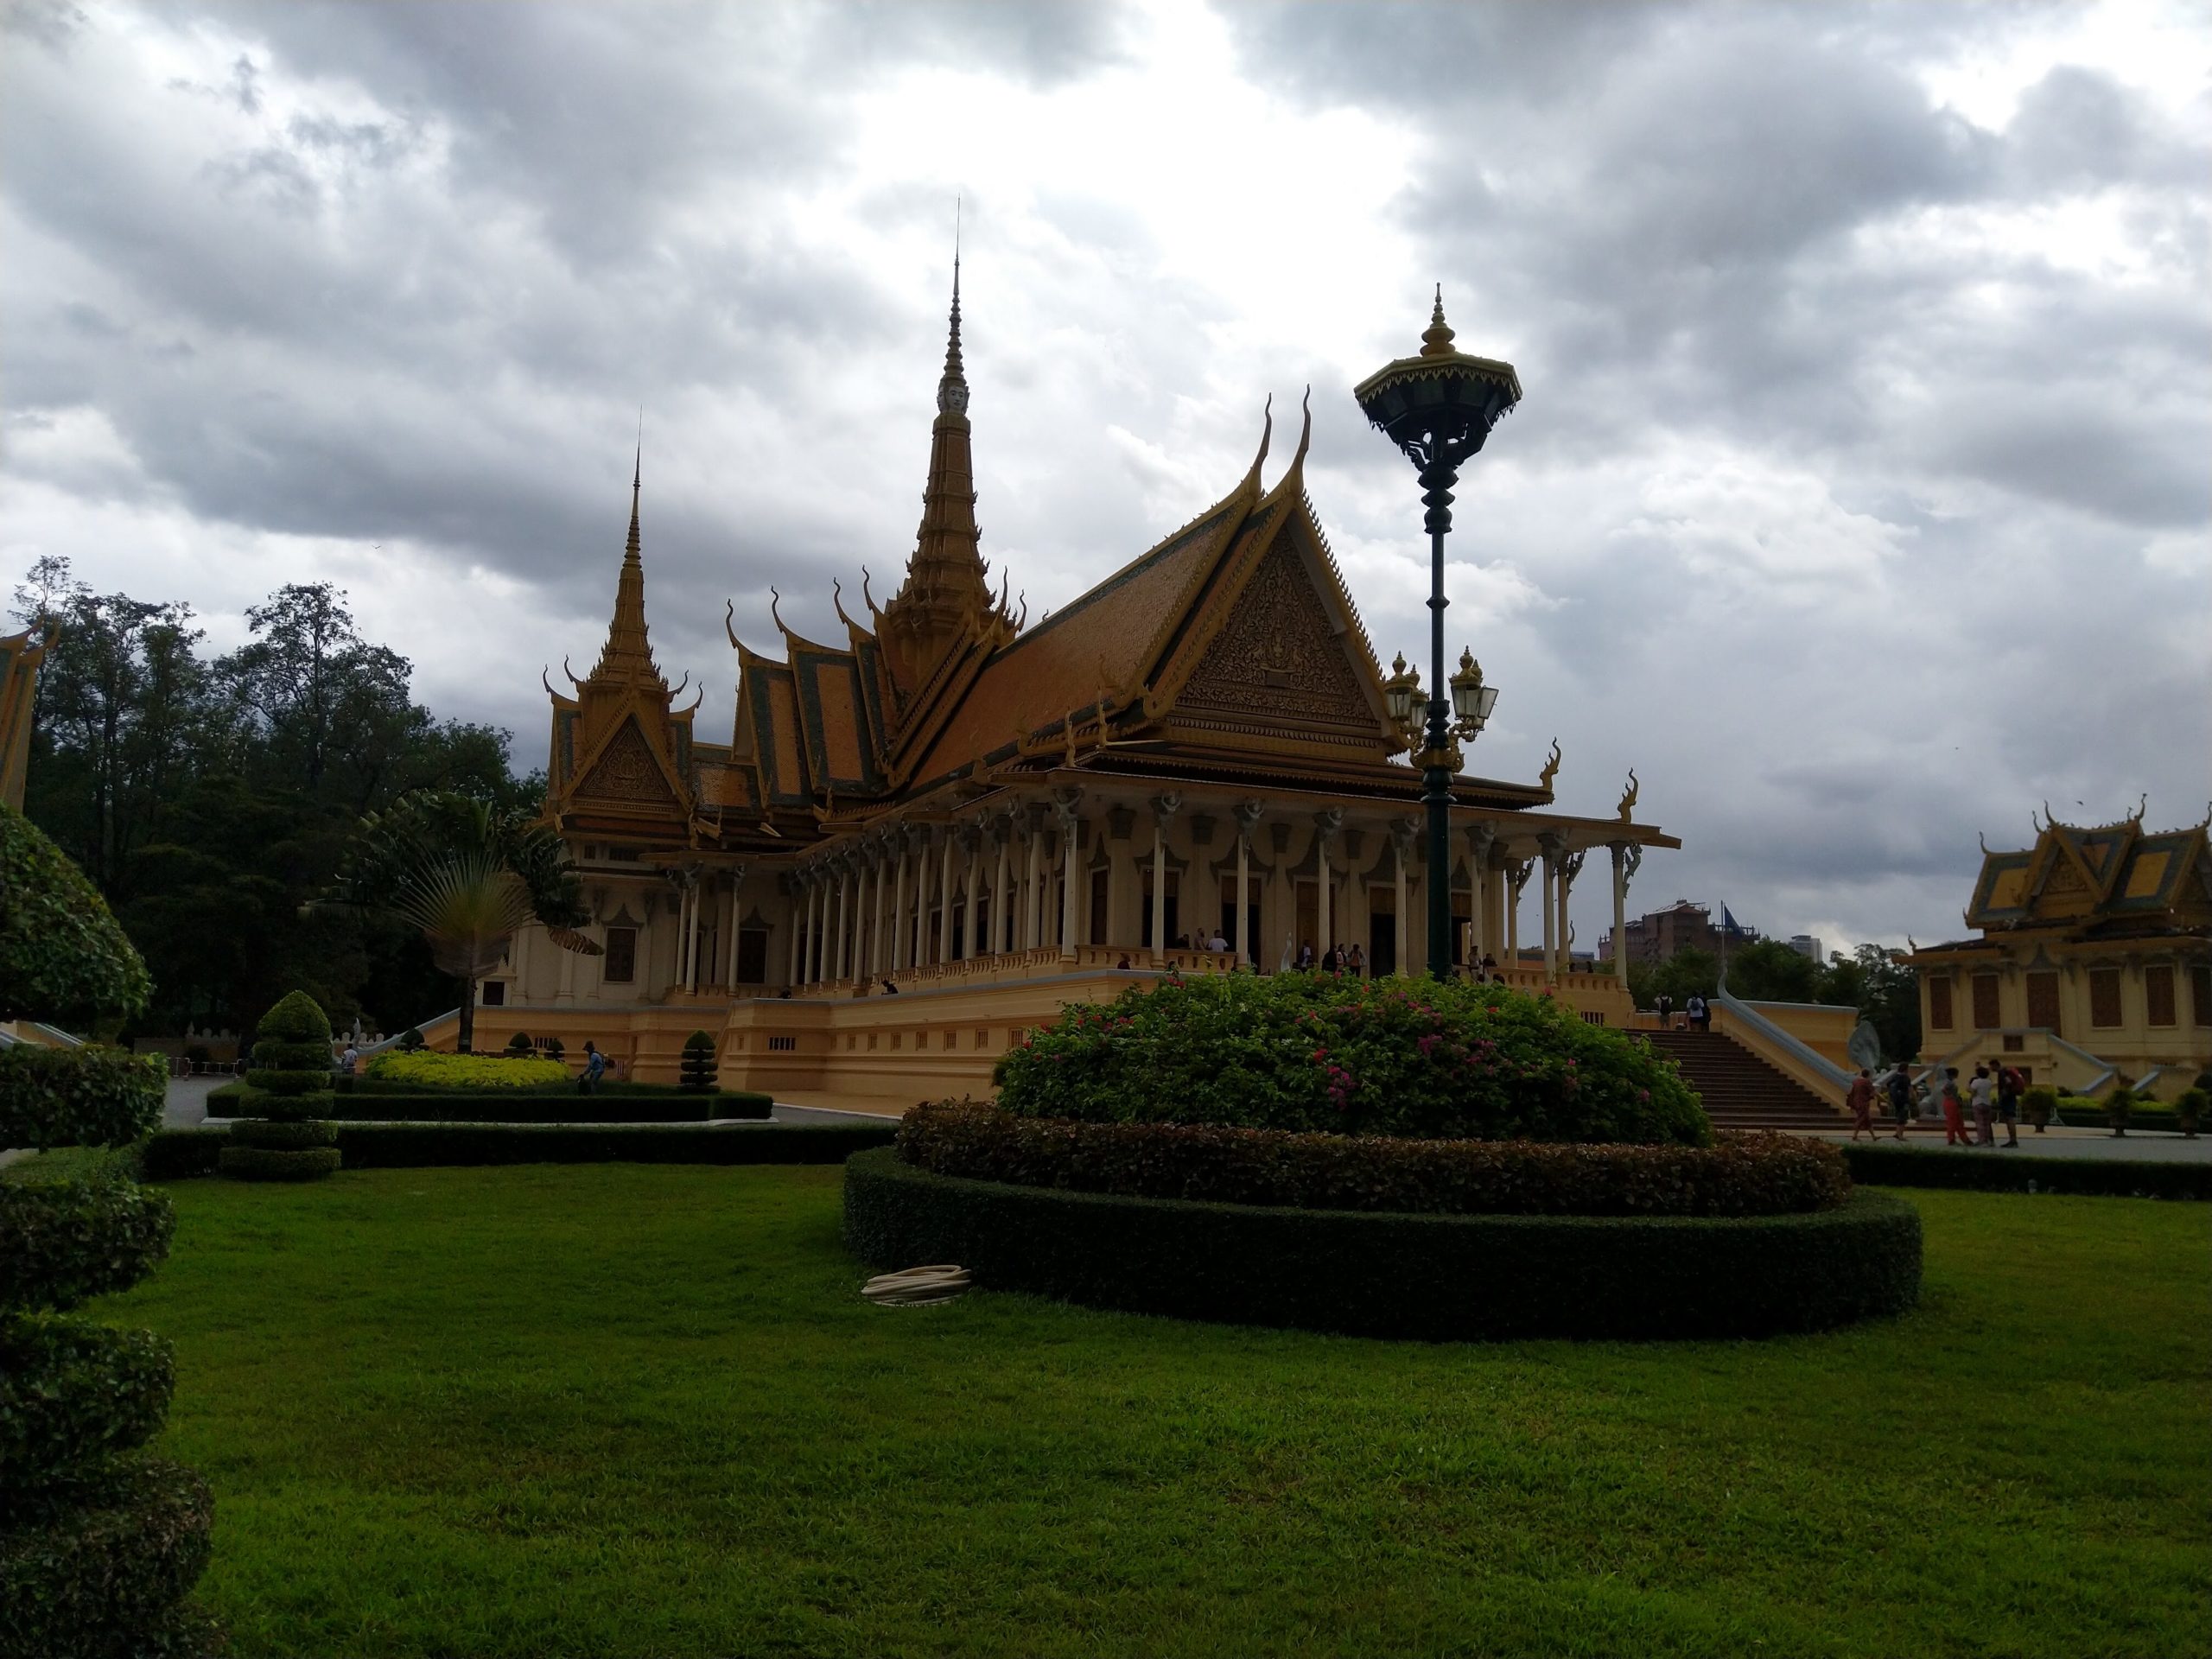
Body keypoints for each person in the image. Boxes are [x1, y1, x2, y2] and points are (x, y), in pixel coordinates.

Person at [1940, 1066, 1974, 1147]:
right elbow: (1943, 1089)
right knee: (1953, 1122)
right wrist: (1949, 1095)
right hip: (1951, 1102)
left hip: (1952, 1102)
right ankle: (1952, 1140)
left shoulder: (1949, 1081)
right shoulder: (1949, 1082)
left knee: (1958, 1122)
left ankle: (1964, 1139)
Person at [1968, 1063, 1996, 1146]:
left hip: (1977, 1103)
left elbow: (1973, 1091)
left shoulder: (1976, 1082)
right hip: (1987, 1103)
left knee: (1979, 1123)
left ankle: (1982, 1140)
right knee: (1987, 1123)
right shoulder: (1989, 1082)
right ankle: (1988, 1140)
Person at [1996, 1063, 2023, 1147]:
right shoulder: (2005, 1071)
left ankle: (2013, 1141)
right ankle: (2012, 1140)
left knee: (2009, 1119)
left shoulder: (2002, 1072)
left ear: (1994, 1065)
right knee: (2009, 1119)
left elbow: (2008, 1082)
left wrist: (2004, 1092)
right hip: (2011, 1096)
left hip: (2008, 1098)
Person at [1847, 1067, 1876, 1141]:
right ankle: (1855, 1133)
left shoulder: (1856, 1082)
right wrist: (1870, 1097)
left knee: (1867, 1120)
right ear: (1868, 1075)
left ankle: (1873, 1136)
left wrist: (1851, 1105)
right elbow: (1873, 1092)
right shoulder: (1867, 1082)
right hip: (1864, 1103)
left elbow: (1851, 1093)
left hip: (1856, 1102)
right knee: (1862, 1118)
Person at [1885, 1066, 1913, 1140]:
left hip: (1896, 1100)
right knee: (1903, 1117)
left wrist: (1890, 1098)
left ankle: (1897, 1133)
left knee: (1898, 1116)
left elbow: (1888, 1085)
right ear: (1906, 1070)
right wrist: (1911, 1098)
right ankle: (1900, 1135)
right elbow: (1910, 1089)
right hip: (1904, 1100)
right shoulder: (1906, 1078)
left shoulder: (1895, 1077)